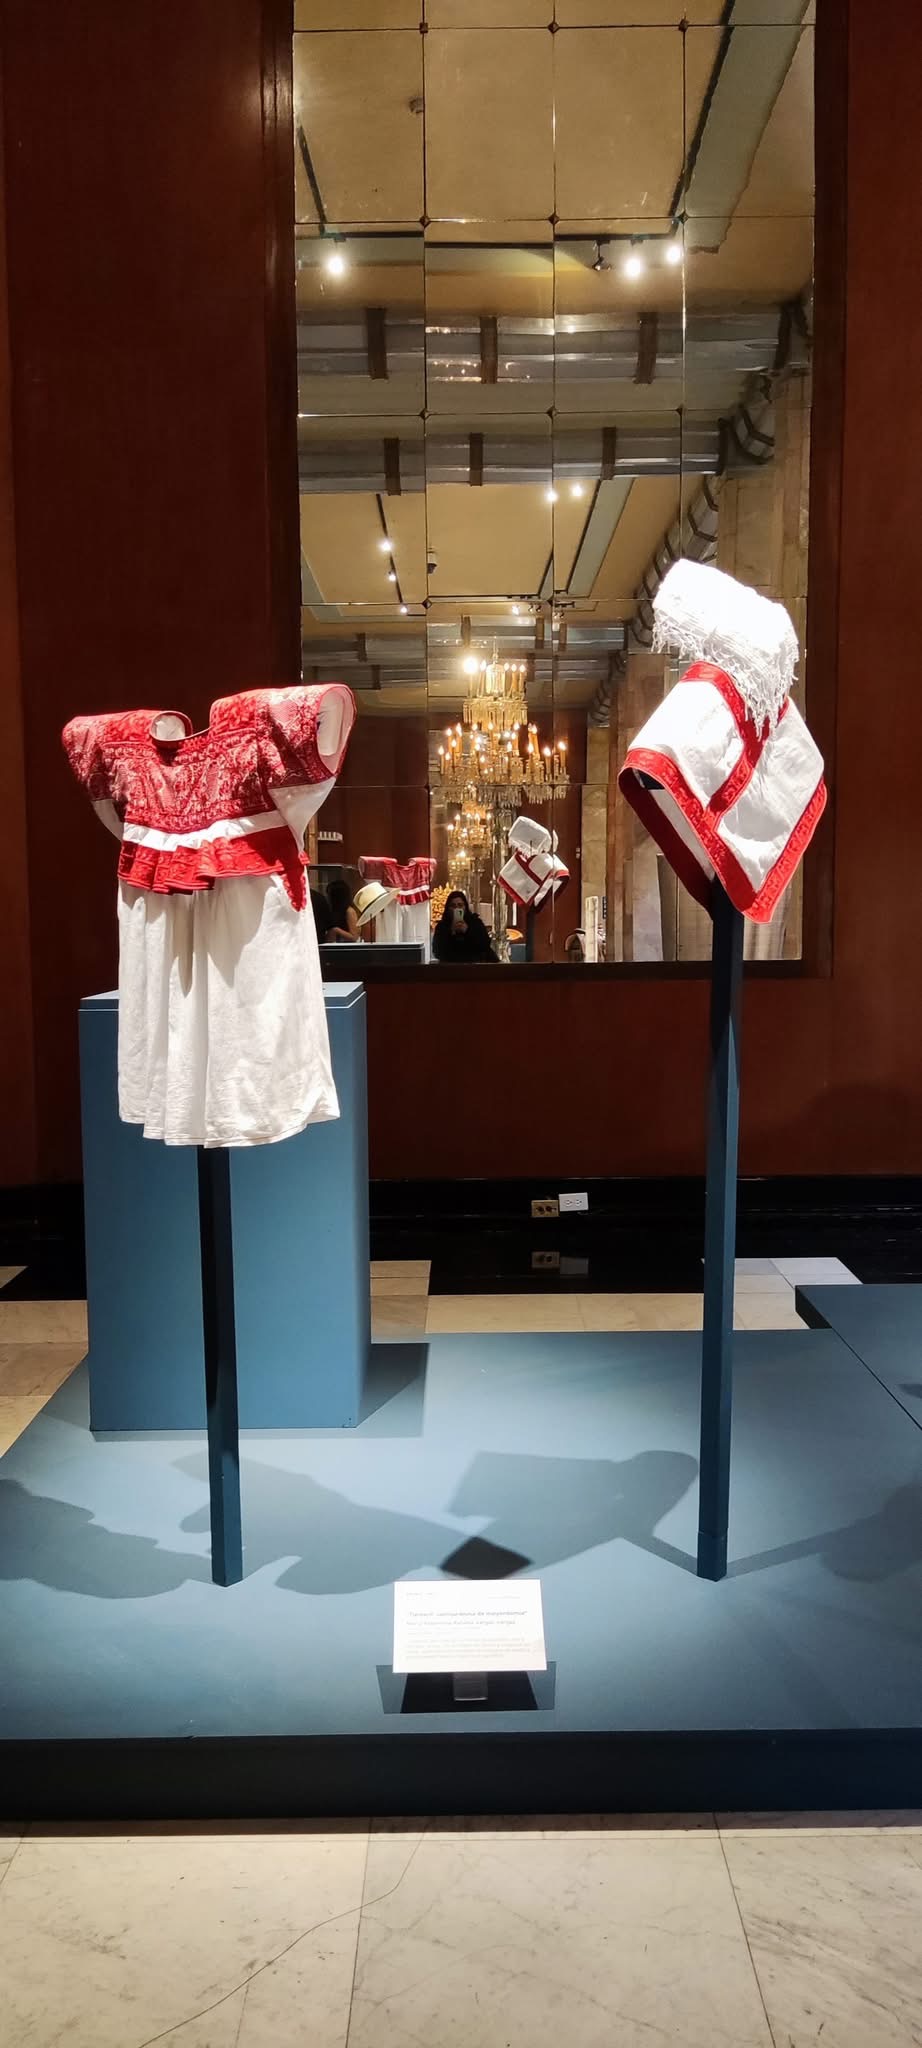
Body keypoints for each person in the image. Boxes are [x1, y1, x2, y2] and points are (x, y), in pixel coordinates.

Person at [432, 889, 498, 963]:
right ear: (448, 908)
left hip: (475, 965)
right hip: (451, 966)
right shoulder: (442, 926)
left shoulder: (475, 922)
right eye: (453, 906)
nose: (457, 908)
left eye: (460, 905)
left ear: (465, 907)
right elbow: (437, 951)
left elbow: (484, 945)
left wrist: (468, 931)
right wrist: (451, 932)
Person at [327, 875, 359, 943]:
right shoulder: (335, 911)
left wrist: (336, 930)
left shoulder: (349, 911)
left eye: (330, 895)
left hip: (347, 946)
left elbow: (354, 937)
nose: (328, 898)